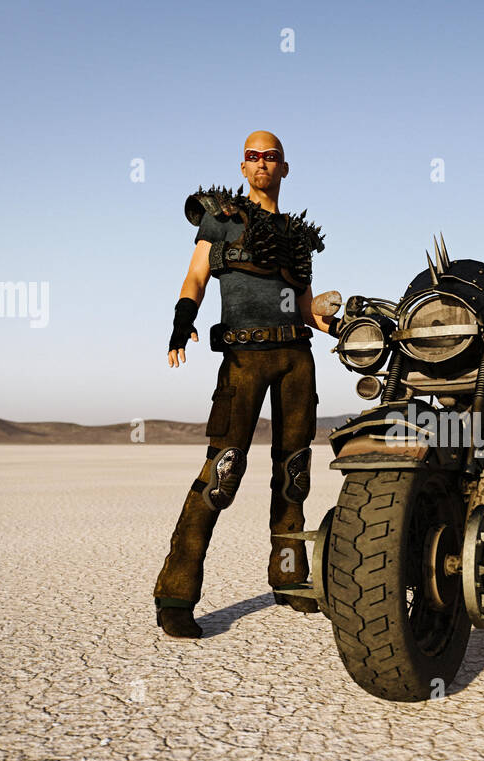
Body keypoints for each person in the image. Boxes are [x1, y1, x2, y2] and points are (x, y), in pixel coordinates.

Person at [154, 130, 337, 637]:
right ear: (242, 167)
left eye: (270, 157)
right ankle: (175, 593)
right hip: (242, 357)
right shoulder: (222, 218)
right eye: (253, 157)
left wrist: (344, 327)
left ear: (284, 167)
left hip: (295, 358)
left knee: (294, 470)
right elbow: (195, 276)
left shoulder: (298, 237)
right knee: (223, 470)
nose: (261, 164)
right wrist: (181, 319)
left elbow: (305, 306)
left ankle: (289, 577)